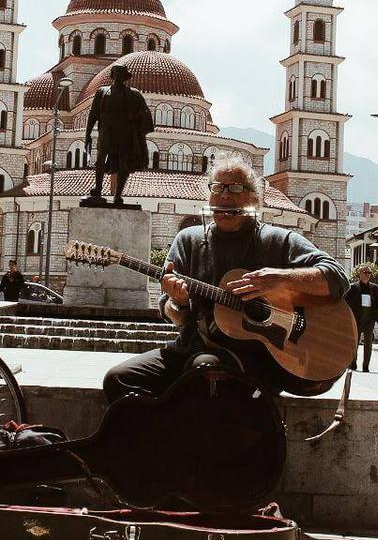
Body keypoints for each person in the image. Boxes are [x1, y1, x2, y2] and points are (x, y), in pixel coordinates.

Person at [103, 156, 349, 403]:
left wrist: (279, 279)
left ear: (255, 198)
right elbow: (176, 317)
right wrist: (178, 302)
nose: (225, 196)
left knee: (204, 369)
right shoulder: (188, 241)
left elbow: (337, 277)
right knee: (117, 379)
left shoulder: (279, 240)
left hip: (256, 359)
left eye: (236, 188)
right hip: (193, 348)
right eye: (218, 188)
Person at [83, 62, 155, 206]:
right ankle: (98, 189)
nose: (118, 76)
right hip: (106, 130)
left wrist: (132, 117)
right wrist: (88, 133)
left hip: (124, 133)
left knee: (123, 163)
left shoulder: (133, 94)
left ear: (125, 77)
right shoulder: (102, 92)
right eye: (116, 73)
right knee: (100, 159)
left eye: (121, 74)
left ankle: (118, 195)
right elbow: (93, 113)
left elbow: (145, 114)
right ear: (113, 75)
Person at [344, 266, 378, 373]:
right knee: (354, 343)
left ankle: (366, 366)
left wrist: (375, 317)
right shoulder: (353, 287)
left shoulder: (374, 288)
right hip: (356, 319)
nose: (367, 275)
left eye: (369, 273)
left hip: (369, 320)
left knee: (368, 344)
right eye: (364, 272)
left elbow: (377, 304)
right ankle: (353, 363)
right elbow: (346, 303)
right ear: (360, 274)